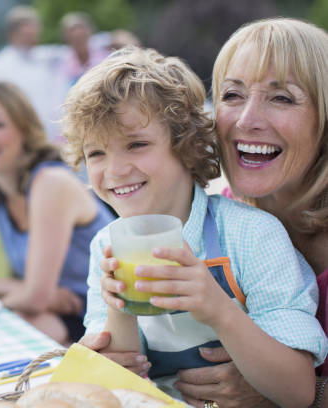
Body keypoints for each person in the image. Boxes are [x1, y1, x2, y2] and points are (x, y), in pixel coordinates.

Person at [61, 46, 327, 407]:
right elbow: (122, 383)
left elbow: (299, 392)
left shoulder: (252, 236)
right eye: (96, 153)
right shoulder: (105, 246)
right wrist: (117, 309)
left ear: (187, 147)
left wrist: (217, 309)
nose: (115, 170)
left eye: (136, 144)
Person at [0, 80, 115, 344]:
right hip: (55, 316)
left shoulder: (50, 182)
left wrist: (5, 302)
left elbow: (36, 298)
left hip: (104, 316)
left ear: (23, 129)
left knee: (12, 329)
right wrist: (14, 289)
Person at [0, 6, 61, 142]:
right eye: (27, 35)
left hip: (50, 141)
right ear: (12, 34)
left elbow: (87, 46)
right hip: (15, 141)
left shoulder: (46, 58)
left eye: (35, 33)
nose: (33, 38)